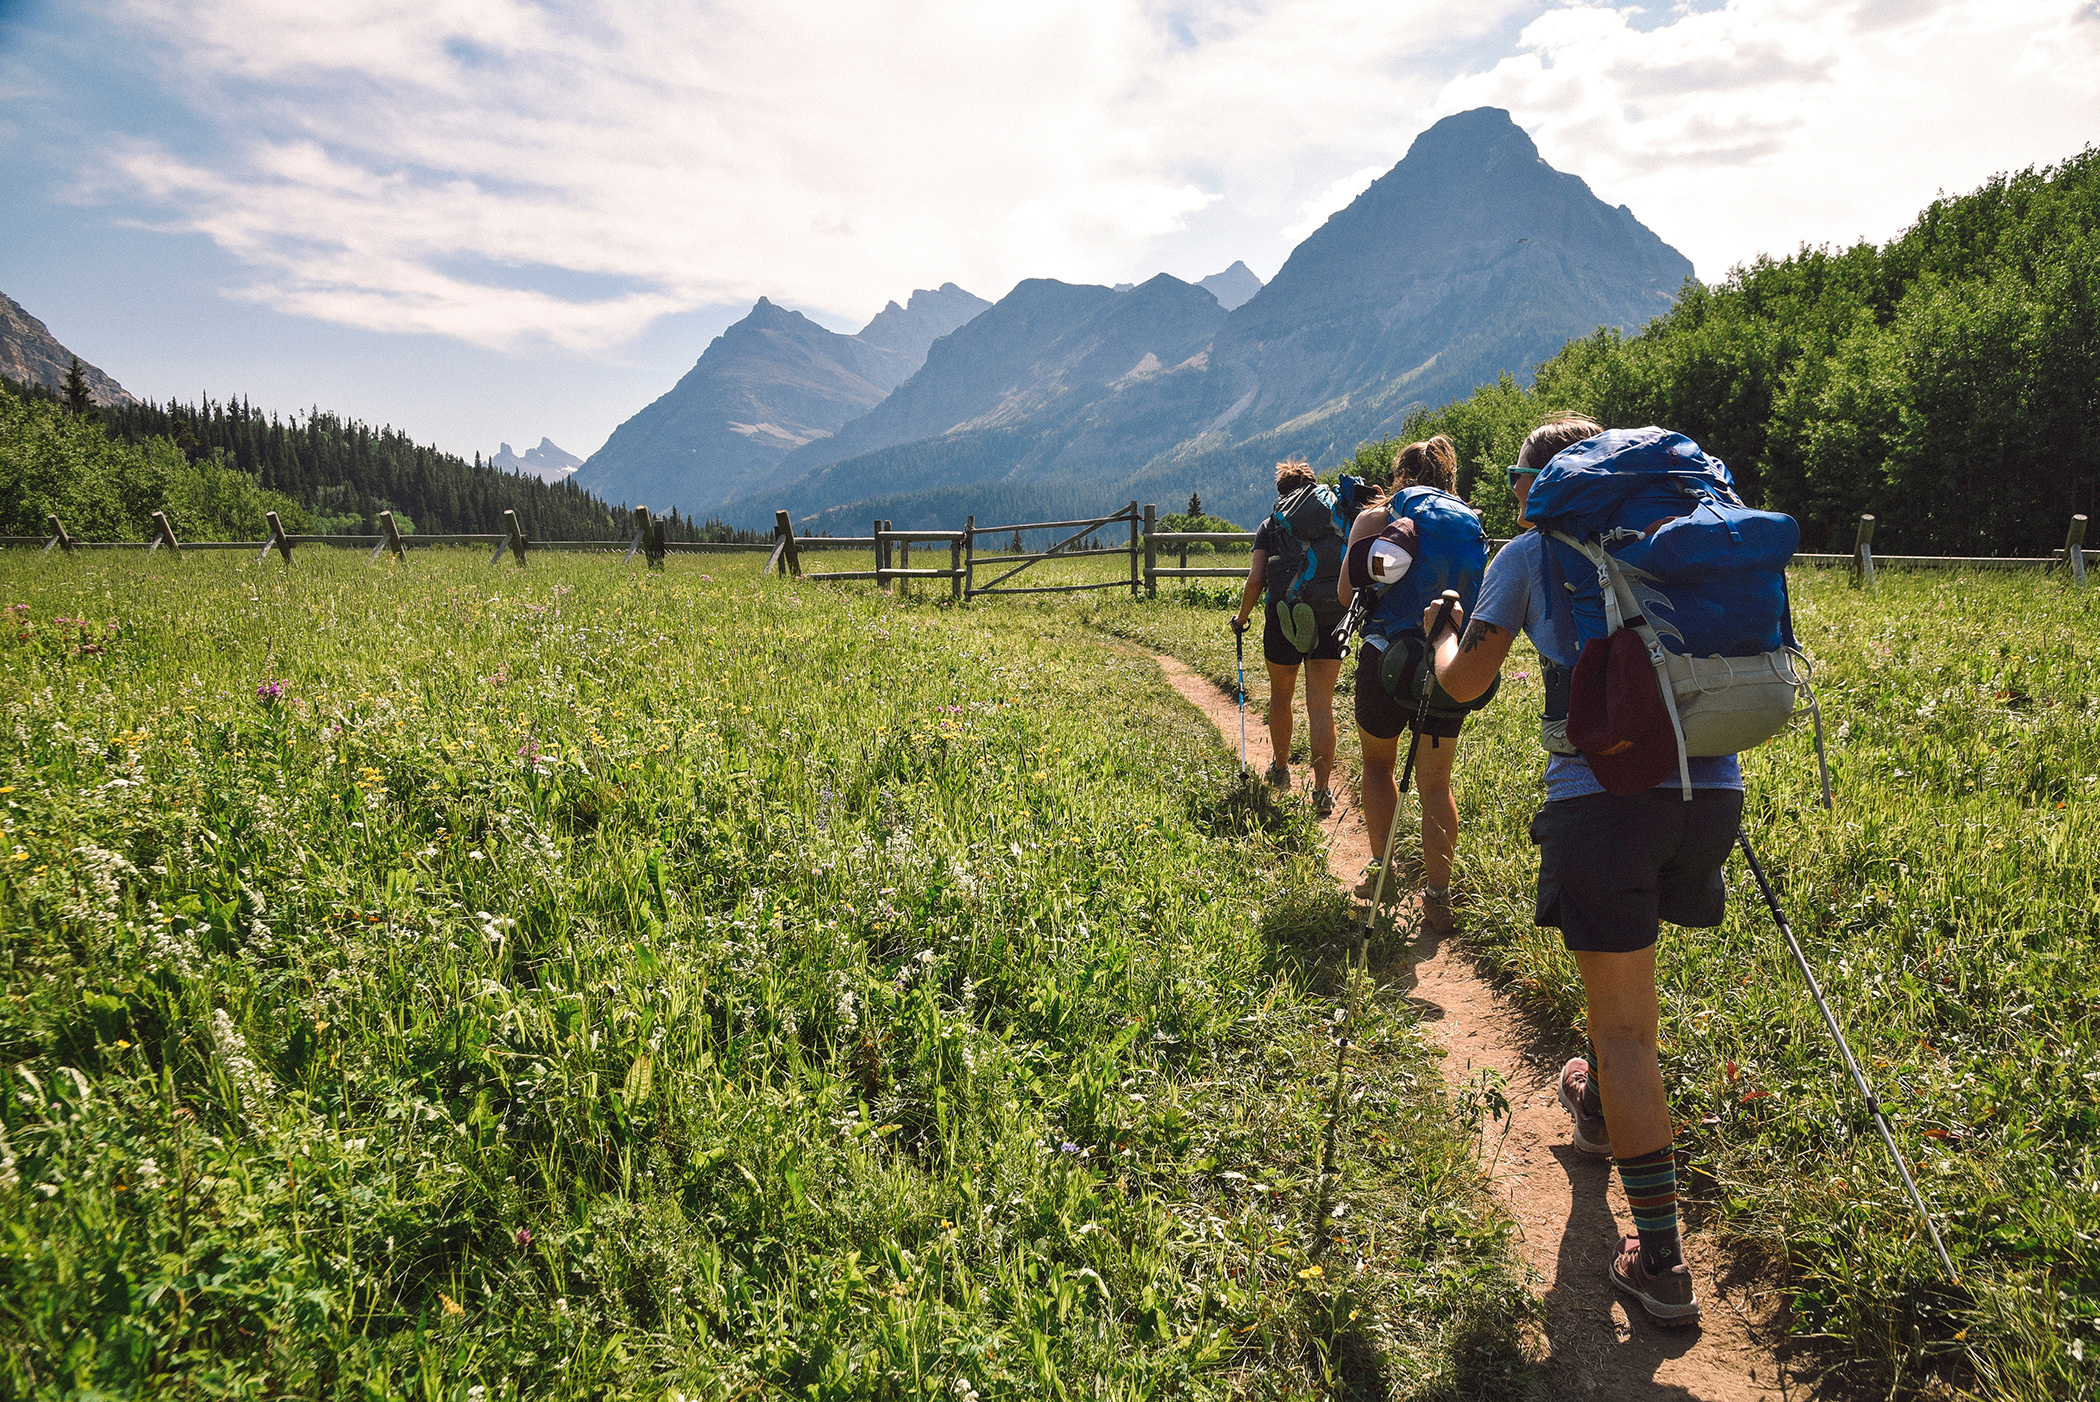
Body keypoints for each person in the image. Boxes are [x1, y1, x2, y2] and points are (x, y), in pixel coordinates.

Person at [1420, 414, 1736, 1329]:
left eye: (1521, 474)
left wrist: (1446, 632)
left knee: (1628, 1028)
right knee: (1625, 993)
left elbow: (1463, 684)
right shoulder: (1674, 532)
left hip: (1604, 803)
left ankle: (1662, 1265)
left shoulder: (1530, 552)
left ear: (1543, 480)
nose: (1517, 490)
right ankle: (1598, 1100)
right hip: (1713, 790)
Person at [1335, 435, 1484, 936]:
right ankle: (1439, 898)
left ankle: (1383, 873)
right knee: (1437, 784)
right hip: (1445, 662)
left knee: (1377, 765)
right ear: (1448, 477)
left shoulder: (1375, 518)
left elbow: (1343, 592)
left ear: (1400, 474)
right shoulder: (1468, 524)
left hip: (1383, 658)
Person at [1230, 458, 1346, 815]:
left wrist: (1241, 618)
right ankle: (1323, 791)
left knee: (1281, 697)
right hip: (1330, 614)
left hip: (1283, 615)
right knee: (1321, 705)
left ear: (1282, 496)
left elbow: (1255, 579)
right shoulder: (1336, 522)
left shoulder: (1271, 525)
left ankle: (1280, 770)